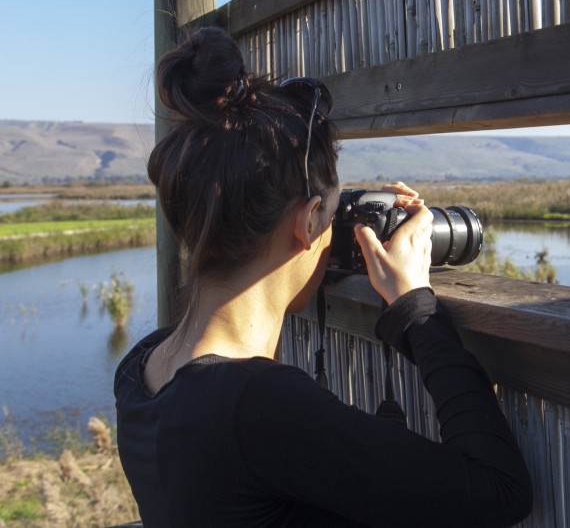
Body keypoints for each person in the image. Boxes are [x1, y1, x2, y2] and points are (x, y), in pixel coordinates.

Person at [114, 27, 532, 527]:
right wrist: (416, 308)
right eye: (332, 215)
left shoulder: (141, 369)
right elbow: (499, 492)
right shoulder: (257, 407)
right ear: (308, 221)